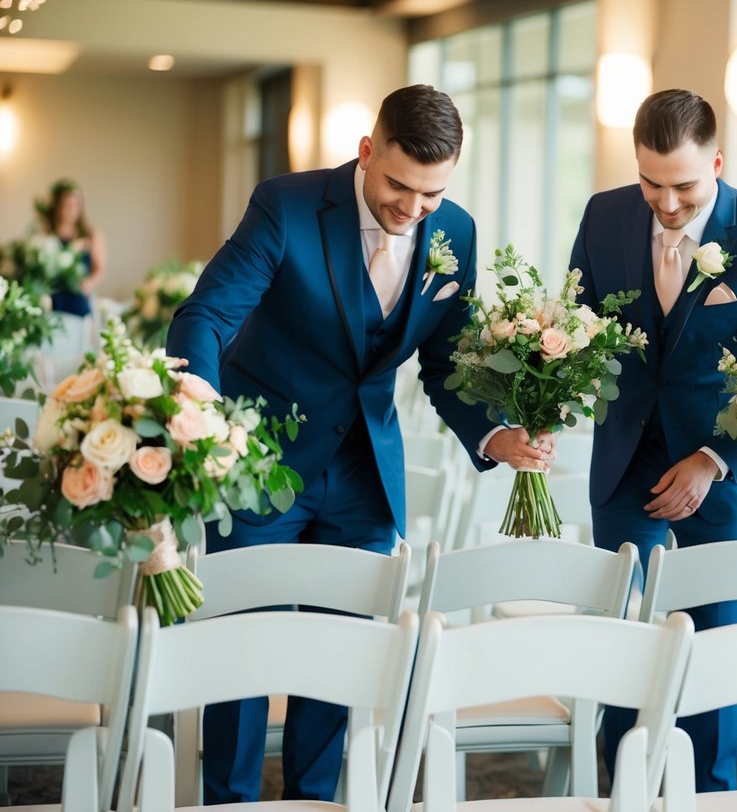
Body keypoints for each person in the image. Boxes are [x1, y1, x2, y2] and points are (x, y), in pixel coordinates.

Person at [165, 84, 553, 805]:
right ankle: (229, 801)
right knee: (242, 650)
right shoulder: (286, 205)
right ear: (366, 152)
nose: (412, 209)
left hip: (364, 473)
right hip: (258, 462)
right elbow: (206, 316)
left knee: (340, 656)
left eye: (430, 195)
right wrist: (202, 407)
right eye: (398, 186)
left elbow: (444, 364)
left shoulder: (454, 234)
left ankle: (314, 798)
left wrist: (495, 434)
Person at [569, 88, 737, 792]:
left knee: (713, 647)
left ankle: (708, 793)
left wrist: (714, 461)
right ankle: (624, 789)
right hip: (624, 457)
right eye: (651, 183)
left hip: (719, 467)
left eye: (682, 185)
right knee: (623, 634)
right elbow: (580, 324)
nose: (666, 203)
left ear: (717, 162)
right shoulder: (603, 214)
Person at [36, 178, 106, 315]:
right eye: (66, 204)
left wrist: (88, 284)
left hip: (78, 299)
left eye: (75, 204)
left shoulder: (91, 235)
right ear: (57, 206)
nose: (71, 209)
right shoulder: (46, 236)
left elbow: (99, 268)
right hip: (52, 300)